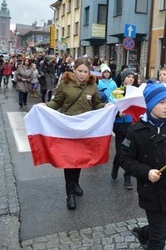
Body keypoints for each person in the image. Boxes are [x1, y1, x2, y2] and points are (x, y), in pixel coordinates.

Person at [120, 83, 166, 250]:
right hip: (150, 191)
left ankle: (143, 233)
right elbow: (125, 158)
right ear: (151, 104)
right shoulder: (135, 130)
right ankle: (150, 238)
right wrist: (146, 172)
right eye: (161, 102)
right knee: (158, 239)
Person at [43, 57, 107, 209]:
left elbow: (96, 104)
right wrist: (44, 107)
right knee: (69, 162)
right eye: (80, 71)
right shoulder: (64, 84)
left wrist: (107, 107)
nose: (83, 74)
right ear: (74, 70)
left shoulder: (92, 86)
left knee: (78, 159)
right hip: (67, 129)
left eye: (85, 71)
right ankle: (70, 193)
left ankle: (76, 182)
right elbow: (57, 102)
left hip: (84, 130)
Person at [111, 68, 135, 189]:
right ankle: (115, 166)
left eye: (132, 77)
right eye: (128, 76)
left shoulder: (136, 92)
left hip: (131, 127)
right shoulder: (116, 92)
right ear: (123, 79)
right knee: (120, 152)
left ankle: (127, 177)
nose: (131, 79)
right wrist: (117, 113)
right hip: (119, 127)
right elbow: (111, 107)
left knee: (130, 151)